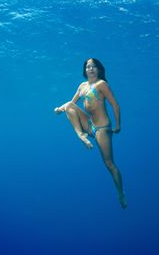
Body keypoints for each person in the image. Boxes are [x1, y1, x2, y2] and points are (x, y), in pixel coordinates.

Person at [55, 58, 127, 209]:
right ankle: (81, 135)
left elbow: (115, 105)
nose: (91, 69)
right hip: (89, 125)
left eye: (94, 66)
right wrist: (60, 109)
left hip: (102, 129)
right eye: (88, 67)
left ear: (99, 69)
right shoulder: (82, 86)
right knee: (69, 105)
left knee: (109, 164)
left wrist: (118, 125)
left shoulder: (102, 85)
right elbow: (72, 103)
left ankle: (120, 193)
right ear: (85, 70)